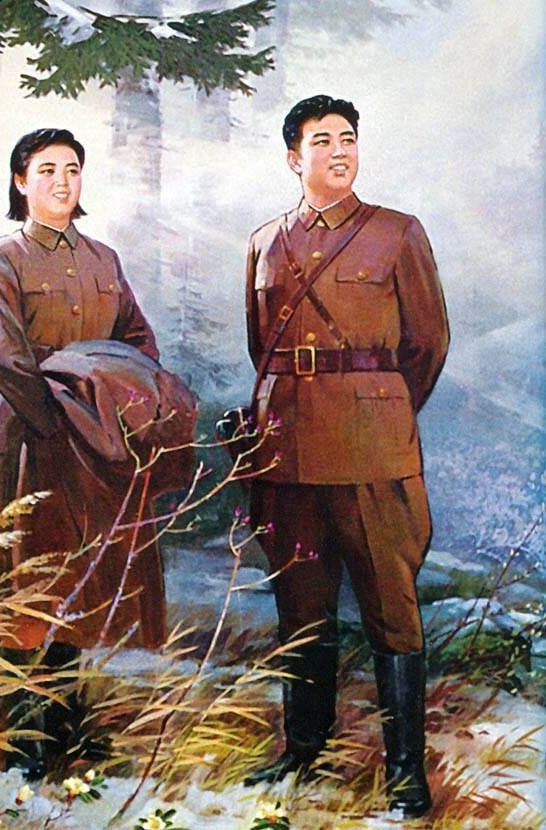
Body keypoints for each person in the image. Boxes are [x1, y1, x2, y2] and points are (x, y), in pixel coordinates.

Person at [242, 95, 449, 818]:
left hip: (372, 453)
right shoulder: (265, 241)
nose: (339, 150)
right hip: (288, 454)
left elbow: (427, 345)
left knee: (391, 609)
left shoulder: (397, 233)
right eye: (322, 140)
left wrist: (377, 407)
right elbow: (261, 347)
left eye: (349, 138)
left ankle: (405, 774)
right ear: (293, 158)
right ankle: (304, 752)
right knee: (302, 606)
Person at [0, 128, 183, 775]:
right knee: (25, 583)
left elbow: (138, 344)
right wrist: (60, 422)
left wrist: (122, 406)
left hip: (96, 445)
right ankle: (22, 734)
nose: (62, 182)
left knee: (78, 584)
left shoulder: (104, 260)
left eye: (72, 169)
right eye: (47, 170)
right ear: (20, 181)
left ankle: (63, 726)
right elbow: (5, 359)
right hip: (27, 439)